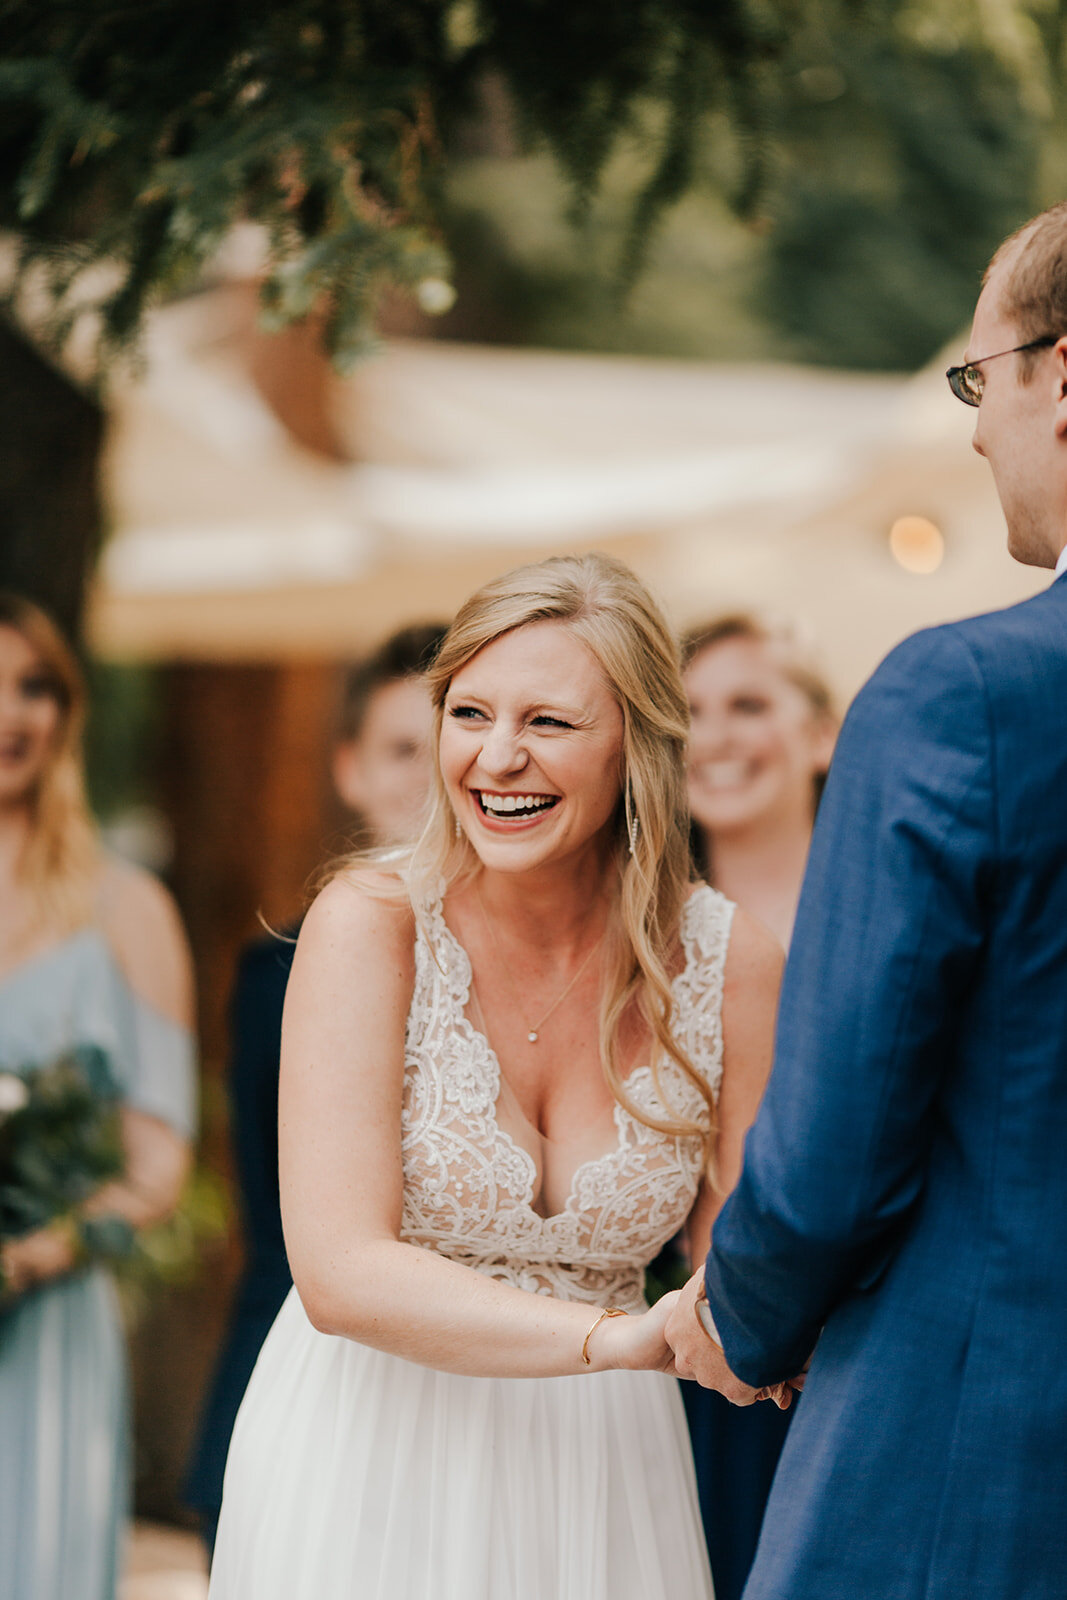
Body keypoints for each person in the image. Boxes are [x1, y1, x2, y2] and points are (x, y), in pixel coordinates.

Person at [207, 552, 786, 1600]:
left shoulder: (729, 961)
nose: (496, 758)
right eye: (468, 713)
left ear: (638, 745)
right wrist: (622, 1335)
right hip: (365, 1452)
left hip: (605, 1468)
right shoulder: (368, 925)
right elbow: (338, 1274)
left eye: (549, 724)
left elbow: (745, 1253)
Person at [665, 201, 1067, 1600]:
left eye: (979, 379)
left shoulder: (963, 695)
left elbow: (839, 1122)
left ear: (1058, 378)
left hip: (980, 1437)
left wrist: (745, 1312)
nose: (970, 433)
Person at [184, 622, 447, 1556]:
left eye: (449, 735)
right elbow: (279, 1223)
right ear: (351, 770)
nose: (431, 773)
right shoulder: (280, 968)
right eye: (400, 748)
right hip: (320, 1370)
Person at [0, 592, 196, 1600]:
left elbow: (159, 1164)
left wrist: (37, 1251)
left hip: (50, 1323)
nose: (11, 714)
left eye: (34, 686)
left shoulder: (127, 909)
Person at [680, 614, 836, 1600]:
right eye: (687, 712)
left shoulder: (891, 908)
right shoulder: (634, 929)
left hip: (849, 1350)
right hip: (681, 1348)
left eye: (748, 704)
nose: (716, 737)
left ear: (821, 732)